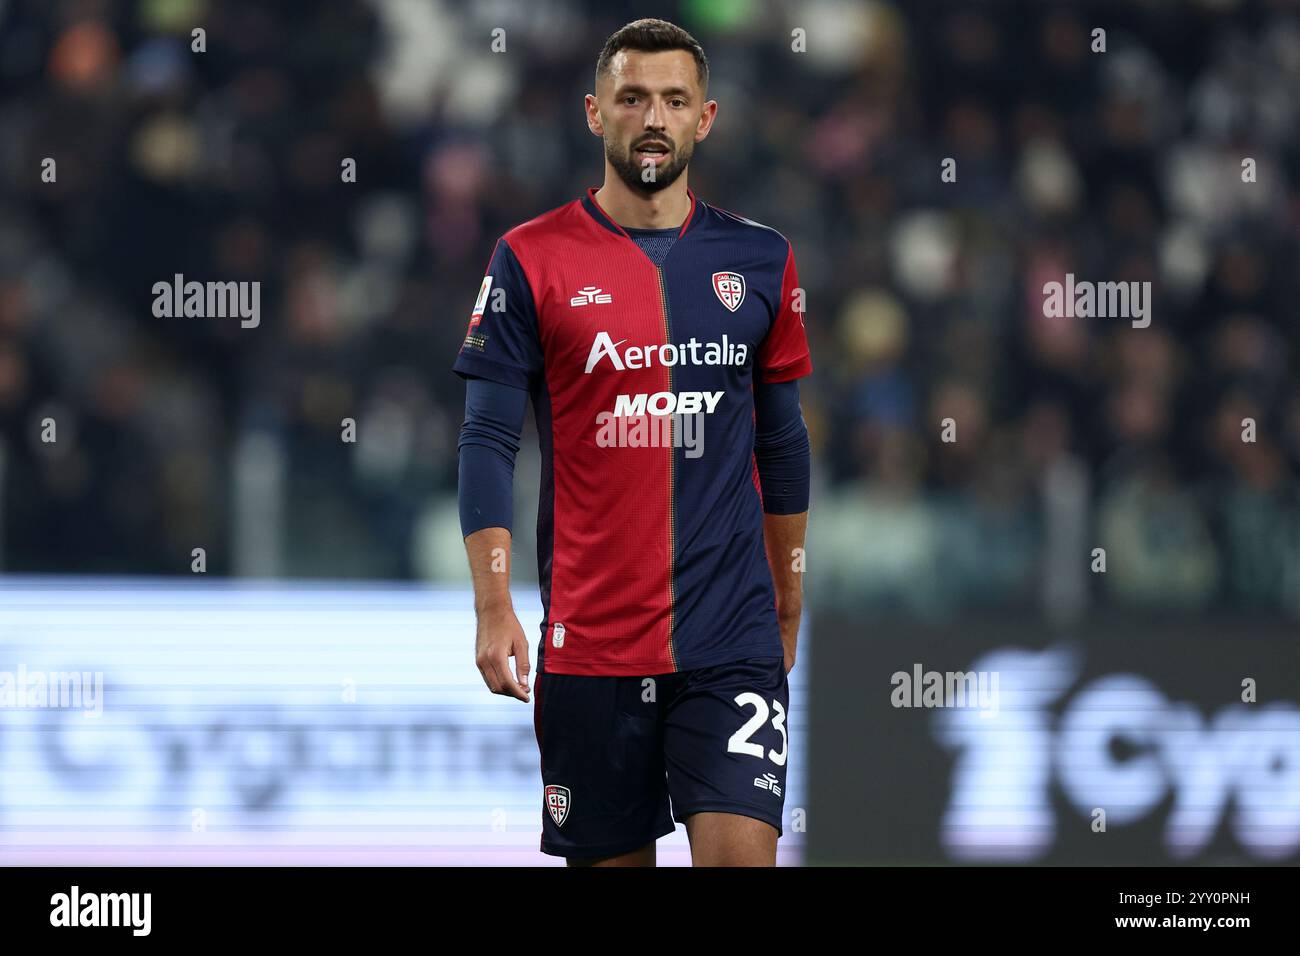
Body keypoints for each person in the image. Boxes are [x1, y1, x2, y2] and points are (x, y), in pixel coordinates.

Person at [454, 18, 811, 866]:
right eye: (633, 97)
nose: (654, 116)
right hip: (592, 648)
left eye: (674, 100)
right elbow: (487, 440)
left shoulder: (761, 260)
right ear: (594, 112)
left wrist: (789, 597)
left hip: (731, 639)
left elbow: (784, 443)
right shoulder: (528, 259)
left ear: (706, 118)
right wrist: (493, 605)